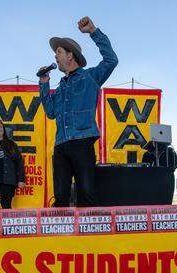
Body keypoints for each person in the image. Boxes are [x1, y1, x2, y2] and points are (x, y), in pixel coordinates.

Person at [38, 16, 118, 207]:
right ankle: (61, 235)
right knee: (60, 198)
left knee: (87, 195)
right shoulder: (59, 88)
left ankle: (88, 236)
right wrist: (43, 83)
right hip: (61, 146)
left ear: (70, 55)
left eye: (58, 52)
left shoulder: (89, 77)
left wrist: (93, 32)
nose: (55, 57)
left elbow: (111, 60)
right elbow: (50, 112)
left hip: (82, 143)